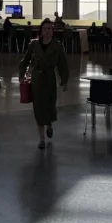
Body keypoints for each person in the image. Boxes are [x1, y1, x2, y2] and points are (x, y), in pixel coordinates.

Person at [19, 18, 69, 150]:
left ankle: (49, 124)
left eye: (49, 29)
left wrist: (64, 81)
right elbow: (25, 61)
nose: (47, 31)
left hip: (50, 79)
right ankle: (41, 139)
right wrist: (21, 75)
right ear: (41, 31)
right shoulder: (34, 45)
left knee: (50, 106)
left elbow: (63, 64)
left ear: (53, 31)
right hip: (37, 80)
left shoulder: (58, 46)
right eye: (45, 28)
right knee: (38, 108)